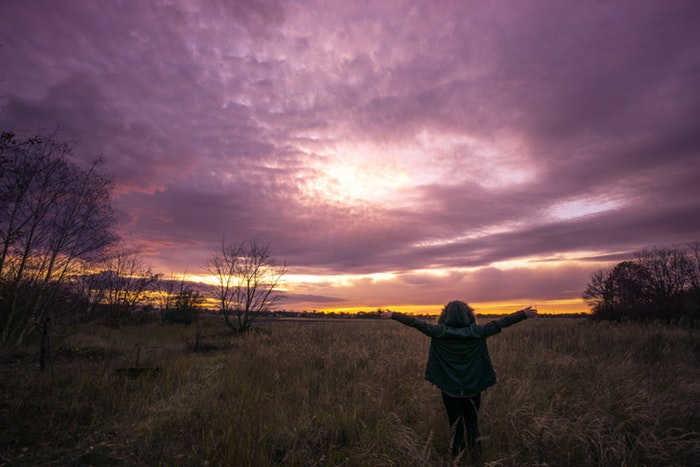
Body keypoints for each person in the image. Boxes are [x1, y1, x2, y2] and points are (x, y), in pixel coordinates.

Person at [380, 301, 537, 459]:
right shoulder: (478, 331)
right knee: (472, 423)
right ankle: (476, 458)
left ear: (445, 316)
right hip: (473, 388)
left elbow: (415, 323)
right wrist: (523, 313)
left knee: (456, 425)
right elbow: (501, 323)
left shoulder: (438, 332)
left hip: (450, 389)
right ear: (469, 315)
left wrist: (393, 315)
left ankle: (457, 458)